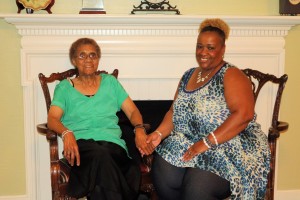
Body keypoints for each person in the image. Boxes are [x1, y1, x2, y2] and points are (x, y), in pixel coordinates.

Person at [142, 18, 271, 199]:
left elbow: (244, 115)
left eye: (210, 48)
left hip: (227, 145)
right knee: (164, 173)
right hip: (188, 141)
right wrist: (158, 134)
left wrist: (206, 143)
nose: (203, 52)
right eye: (199, 46)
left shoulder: (231, 74)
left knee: (196, 189)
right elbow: (174, 112)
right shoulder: (188, 75)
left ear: (223, 50)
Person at [47, 38, 149, 200]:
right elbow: (52, 119)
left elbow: (132, 112)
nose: (88, 59)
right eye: (82, 55)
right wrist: (66, 133)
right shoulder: (64, 88)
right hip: (81, 149)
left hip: (113, 146)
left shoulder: (110, 83)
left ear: (98, 59)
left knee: (105, 159)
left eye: (93, 55)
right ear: (74, 60)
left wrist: (139, 128)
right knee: (103, 156)